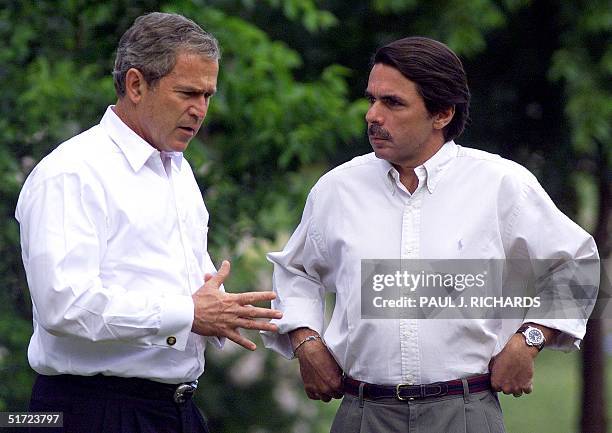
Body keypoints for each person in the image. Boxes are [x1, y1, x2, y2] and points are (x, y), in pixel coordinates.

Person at [262, 37, 599, 432]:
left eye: (393, 103)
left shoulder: (502, 184)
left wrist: (530, 338)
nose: (372, 115)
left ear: (441, 113)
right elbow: (296, 271)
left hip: (466, 412)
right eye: (372, 99)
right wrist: (305, 340)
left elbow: (578, 265)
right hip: (363, 412)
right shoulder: (337, 189)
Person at [16, 12, 282, 433]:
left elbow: (174, 281)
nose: (201, 111)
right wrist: (188, 313)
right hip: (89, 411)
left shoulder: (178, 169)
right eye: (188, 93)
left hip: (175, 408)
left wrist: (222, 308)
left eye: (208, 95)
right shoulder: (72, 172)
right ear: (136, 85)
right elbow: (64, 304)